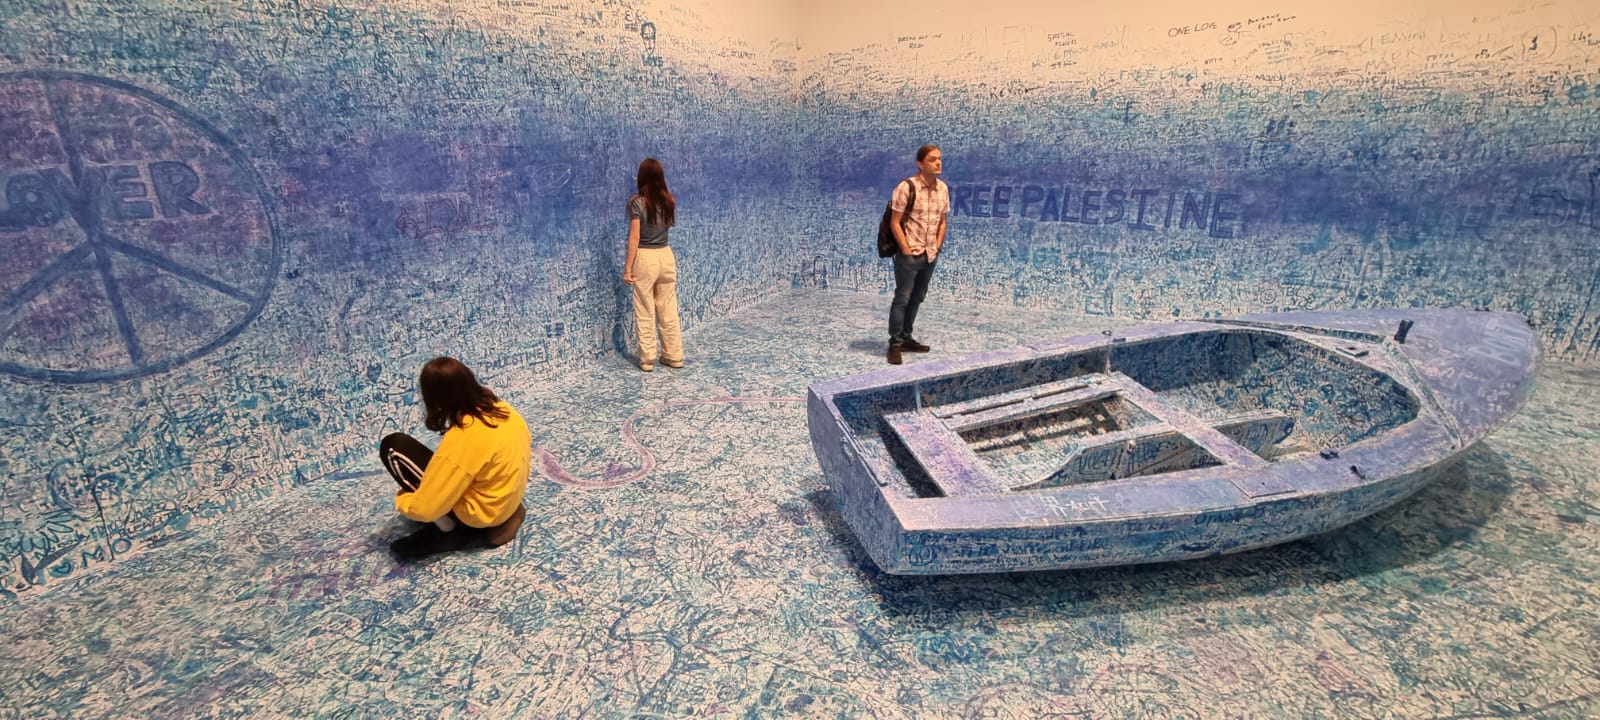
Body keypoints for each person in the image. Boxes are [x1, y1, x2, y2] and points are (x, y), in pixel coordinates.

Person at [379, 357, 531, 560]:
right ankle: (505, 516)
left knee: (394, 447)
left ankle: (451, 531)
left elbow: (426, 509)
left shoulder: (463, 438)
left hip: (481, 516)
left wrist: (405, 500)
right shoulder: (504, 410)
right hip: (507, 500)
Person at [886, 144, 950, 365]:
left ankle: (906, 337)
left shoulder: (942, 189)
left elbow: (943, 221)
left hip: (930, 254)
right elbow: (895, 222)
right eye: (933, 160)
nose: (938, 163)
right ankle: (894, 343)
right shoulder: (906, 187)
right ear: (920, 164)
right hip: (909, 253)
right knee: (902, 298)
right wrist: (905, 248)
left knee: (917, 297)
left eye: (939, 159)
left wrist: (938, 246)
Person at [622, 157, 684, 372]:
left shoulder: (636, 203)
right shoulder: (670, 201)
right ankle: (674, 355)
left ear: (642, 177)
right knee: (668, 307)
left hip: (645, 258)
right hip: (666, 255)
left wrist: (628, 268)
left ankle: (647, 358)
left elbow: (634, 238)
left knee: (645, 308)